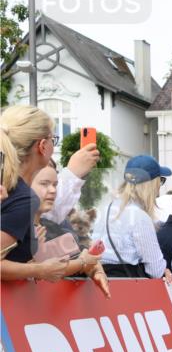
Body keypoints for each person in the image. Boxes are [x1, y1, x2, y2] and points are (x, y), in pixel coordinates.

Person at [1, 105, 72, 281]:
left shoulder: (10, 187)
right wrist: (40, 270)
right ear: (42, 145)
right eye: (53, 140)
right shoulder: (23, 197)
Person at [29, 161, 110, 297]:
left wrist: (97, 271)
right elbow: (46, 269)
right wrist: (82, 263)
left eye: (55, 185)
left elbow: (80, 255)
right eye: (44, 183)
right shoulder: (14, 226)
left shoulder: (57, 227)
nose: (53, 190)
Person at [92, 156, 172, 279]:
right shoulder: (139, 216)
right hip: (125, 287)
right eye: (160, 180)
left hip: (99, 279)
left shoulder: (106, 208)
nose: (159, 187)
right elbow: (155, 270)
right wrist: (164, 270)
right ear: (150, 184)